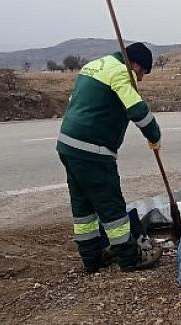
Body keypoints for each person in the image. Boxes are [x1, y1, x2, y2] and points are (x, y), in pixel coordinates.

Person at [56, 42, 162, 273]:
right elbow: (137, 111)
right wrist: (154, 135)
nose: (141, 79)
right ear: (135, 64)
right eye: (142, 72)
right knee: (111, 206)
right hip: (92, 150)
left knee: (83, 207)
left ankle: (91, 259)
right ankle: (129, 257)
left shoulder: (95, 65)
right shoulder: (122, 73)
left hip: (67, 145)